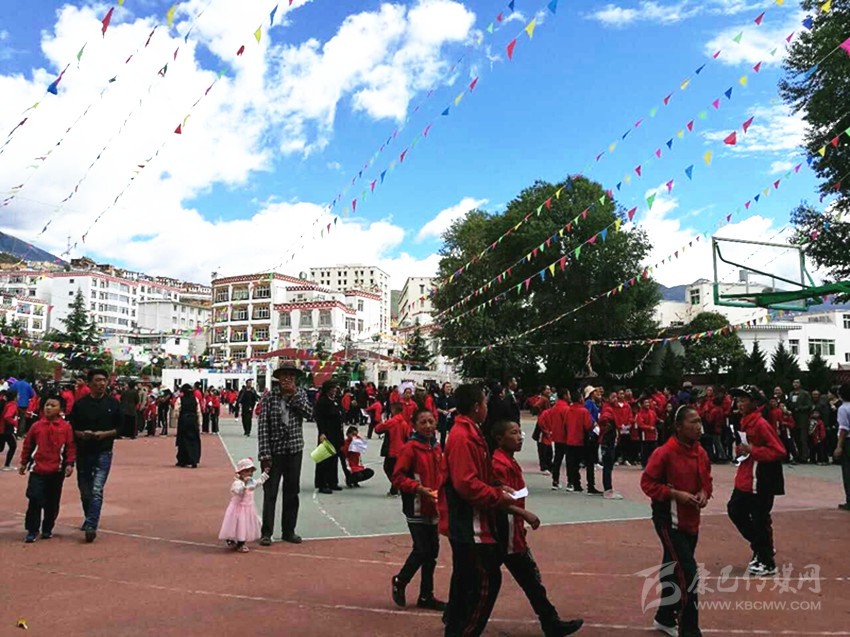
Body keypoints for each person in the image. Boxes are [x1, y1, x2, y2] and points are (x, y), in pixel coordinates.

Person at [491, 420, 584, 636]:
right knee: (522, 579)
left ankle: (550, 621)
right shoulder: (499, 465)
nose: (520, 437)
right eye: (513, 433)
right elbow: (500, 500)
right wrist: (524, 515)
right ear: (499, 438)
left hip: (513, 531)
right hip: (506, 533)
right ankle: (550, 622)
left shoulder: (509, 461)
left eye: (519, 432)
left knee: (526, 580)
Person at [439, 383, 516, 637]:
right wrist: (496, 495)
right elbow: (466, 483)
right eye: (484, 403)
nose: (486, 407)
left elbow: (478, 474)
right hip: (469, 521)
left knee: (465, 580)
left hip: (470, 518)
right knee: (486, 579)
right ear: (476, 407)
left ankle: (455, 627)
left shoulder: (471, 432)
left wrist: (496, 485)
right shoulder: (464, 437)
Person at [640, 405, 712, 637]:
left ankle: (664, 617)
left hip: (690, 520)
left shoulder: (701, 452)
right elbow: (647, 483)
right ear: (678, 426)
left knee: (672, 567)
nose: (699, 426)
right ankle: (689, 629)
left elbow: (706, 480)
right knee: (688, 574)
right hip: (669, 521)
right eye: (693, 422)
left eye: (699, 421)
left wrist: (704, 493)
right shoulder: (664, 453)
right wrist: (674, 494)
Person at [726, 385, 786, 577]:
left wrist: (753, 450)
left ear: (754, 402)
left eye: (743, 400)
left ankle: (767, 561)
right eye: (738, 400)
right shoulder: (744, 421)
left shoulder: (760, 423)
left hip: (760, 479)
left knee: (759, 519)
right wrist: (742, 450)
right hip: (747, 476)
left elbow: (779, 450)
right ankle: (762, 547)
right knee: (736, 510)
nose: (739, 404)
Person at [391, 409, 446, 611]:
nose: (428, 426)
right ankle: (400, 580)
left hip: (434, 506)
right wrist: (418, 488)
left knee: (432, 551)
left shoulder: (437, 447)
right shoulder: (410, 448)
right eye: (423, 422)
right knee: (422, 549)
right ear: (414, 426)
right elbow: (398, 477)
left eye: (431, 421)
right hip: (416, 506)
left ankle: (426, 595)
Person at [258, 364, 313, 545]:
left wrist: (294, 395)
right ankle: (267, 533)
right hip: (274, 452)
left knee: (292, 491)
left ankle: (289, 531)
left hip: (294, 450)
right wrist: (264, 454)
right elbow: (263, 426)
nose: (287, 378)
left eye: (291, 375)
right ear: (278, 378)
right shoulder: (269, 398)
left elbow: (309, 413)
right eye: (284, 375)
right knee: (270, 492)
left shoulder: (301, 394)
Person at [69, 369, 121, 543]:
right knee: (85, 490)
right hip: (83, 451)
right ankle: (89, 516)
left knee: (96, 489)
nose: (101, 383)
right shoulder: (80, 405)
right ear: (90, 383)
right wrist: (82, 434)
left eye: (104, 380)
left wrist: (104, 434)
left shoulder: (113, 404)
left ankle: (92, 525)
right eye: (97, 380)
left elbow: (121, 428)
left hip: (104, 451)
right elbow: (72, 428)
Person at [18, 396, 76, 543]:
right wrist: (24, 462)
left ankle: (47, 528)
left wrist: (70, 464)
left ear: (61, 409)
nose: (48, 408)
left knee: (52, 502)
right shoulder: (36, 426)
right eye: (46, 405)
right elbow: (28, 445)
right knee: (34, 499)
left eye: (53, 405)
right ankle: (32, 529)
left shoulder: (66, 427)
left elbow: (70, 447)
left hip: (56, 471)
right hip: (37, 470)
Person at [219, 457, 268, 553]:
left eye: (251, 471)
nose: (249, 473)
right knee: (236, 524)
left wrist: (264, 475)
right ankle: (234, 540)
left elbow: (257, 483)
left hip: (248, 508)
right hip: (238, 508)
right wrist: (244, 486)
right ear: (240, 472)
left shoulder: (251, 481)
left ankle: (241, 542)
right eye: (246, 471)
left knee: (244, 526)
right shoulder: (237, 483)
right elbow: (236, 491)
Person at [314, 380, 347, 494]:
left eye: (335, 388)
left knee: (334, 458)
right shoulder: (322, 402)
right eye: (332, 388)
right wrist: (322, 432)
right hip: (327, 433)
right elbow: (319, 418)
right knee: (324, 458)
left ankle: (332, 481)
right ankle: (322, 483)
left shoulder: (336, 401)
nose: (335, 390)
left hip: (337, 433)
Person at [376, 401, 411, 496]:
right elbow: (407, 436)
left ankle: (396, 487)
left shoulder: (391, 422)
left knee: (388, 468)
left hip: (392, 449)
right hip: (401, 449)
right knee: (397, 470)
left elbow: (378, 429)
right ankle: (395, 488)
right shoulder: (404, 423)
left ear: (393, 410)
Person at [565, 393, 596, 494]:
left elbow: (565, 424)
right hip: (582, 440)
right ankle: (590, 485)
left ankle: (576, 484)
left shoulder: (568, 410)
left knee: (574, 464)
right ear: (580, 399)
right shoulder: (584, 411)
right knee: (589, 463)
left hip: (570, 440)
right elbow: (588, 425)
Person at [598, 392, 623, 500]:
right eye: (613, 397)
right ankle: (607, 489)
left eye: (616, 397)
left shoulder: (613, 409)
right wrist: (607, 425)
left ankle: (608, 488)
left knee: (609, 465)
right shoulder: (608, 409)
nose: (615, 399)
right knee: (607, 465)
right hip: (607, 440)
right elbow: (603, 419)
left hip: (610, 440)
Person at [547, 388, 572, 490]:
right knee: (569, 460)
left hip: (557, 436)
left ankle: (555, 481)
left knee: (557, 459)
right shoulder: (566, 408)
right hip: (566, 437)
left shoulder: (554, 407)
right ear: (565, 395)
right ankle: (570, 482)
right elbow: (567, 423)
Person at [174, 384, 202, 468]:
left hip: (184, 420)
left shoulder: (180, 399)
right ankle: (194, 460)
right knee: (194, 440)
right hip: (193, 420)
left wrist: (178, 419)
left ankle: (183, 460)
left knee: (183, 440)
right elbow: (198, 411)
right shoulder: (195, 399)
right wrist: (199, 423)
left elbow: (176, 411)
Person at [832, 383, 850, 511]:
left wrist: (839, 446)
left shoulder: (843, 409)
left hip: (848, 441)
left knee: (848, 471)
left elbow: (844, 428)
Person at [790, 379, 812, 464]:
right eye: (794, 382)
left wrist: (800, 408)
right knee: (796, 439)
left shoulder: (805, 393)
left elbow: (809, 406)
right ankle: (798, 455)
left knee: (803, 439)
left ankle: (804, 456)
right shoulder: (791, 394)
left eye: (797, 382)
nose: (795, 384)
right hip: (793, 419)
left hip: (803, 419)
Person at [636, 396, 659, 468]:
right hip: (645, 435)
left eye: (648, 402)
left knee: (653, 450)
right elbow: (641, 425)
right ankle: (644, 464)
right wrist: (649, 427)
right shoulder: (640, 414)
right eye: (645, 403)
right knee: (645, 450)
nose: (647, 404)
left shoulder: (652, 412)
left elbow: (656, 420)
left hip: (653, 435)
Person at [435, 382, 456, 449]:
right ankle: (442, 449)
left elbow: (458, 406)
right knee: (443, 435)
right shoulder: (440, 398)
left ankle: (451, 447)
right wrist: (442, 411)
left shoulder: (454, 397)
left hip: (452, 418)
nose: (448, 388)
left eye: (449, 387)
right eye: (447, 387)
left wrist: (453, 409)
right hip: (443, 418)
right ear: (443, 388)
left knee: (452, 434)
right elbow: (436, 408)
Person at [1, 390, 18, 470]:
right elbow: (7, 416)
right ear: (15, 397)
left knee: (1, 448)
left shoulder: (6, 404)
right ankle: (7, 465)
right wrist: (14, 422)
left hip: (2, 428)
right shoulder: (12, 405)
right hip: (7, 429)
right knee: (13, 446)